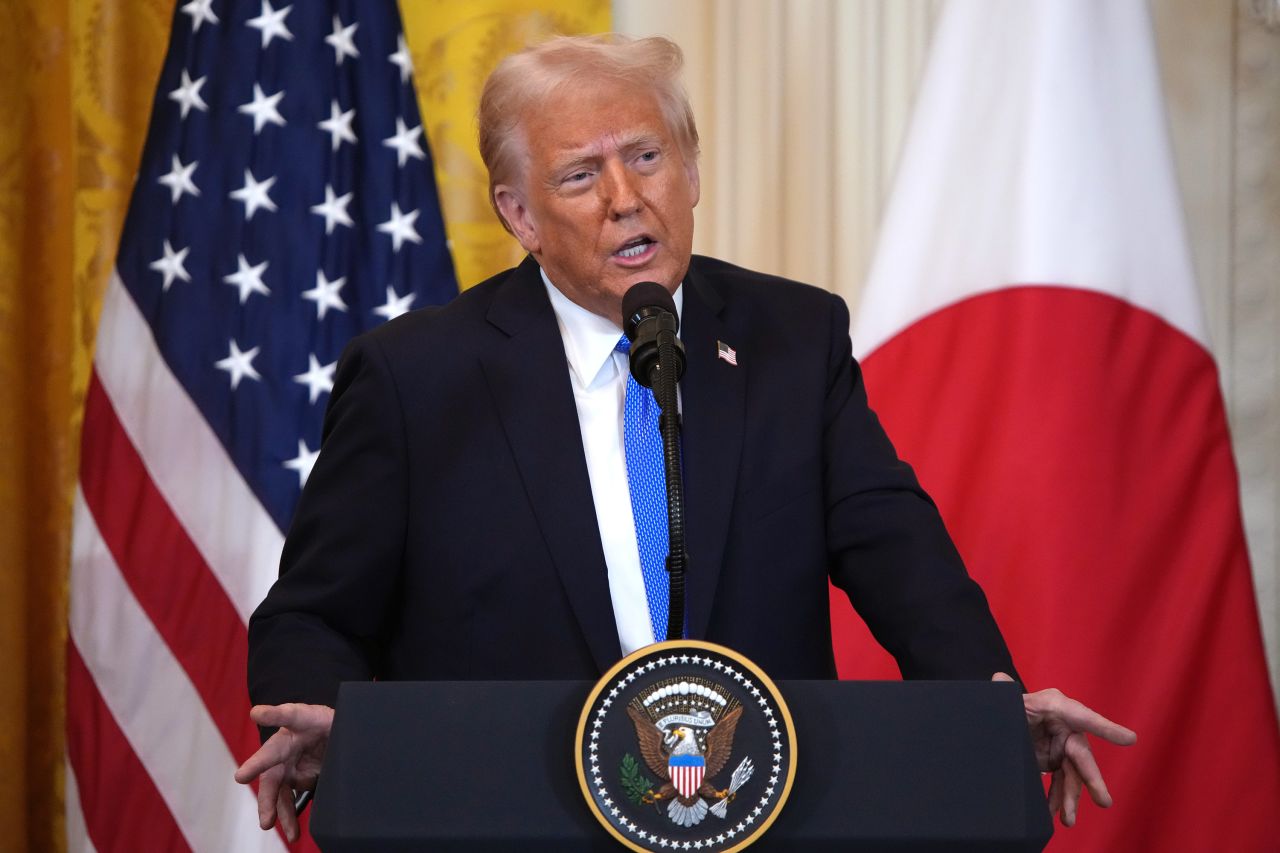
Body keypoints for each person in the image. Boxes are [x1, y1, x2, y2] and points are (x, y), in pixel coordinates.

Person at [235, 34, 1136, 843]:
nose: (626, 199)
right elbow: (312, 610)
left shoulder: (791, 336)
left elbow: (899, 551)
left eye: (646, 156)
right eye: (580, 176)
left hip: (759, 814)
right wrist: (323, 714)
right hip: (510, 818)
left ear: (691, 171)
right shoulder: (416, 378)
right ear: (520, 216)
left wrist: (989, 705)